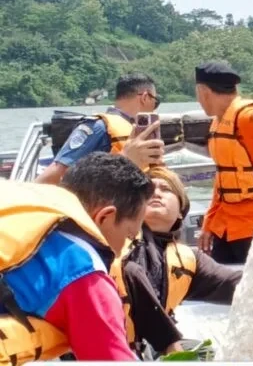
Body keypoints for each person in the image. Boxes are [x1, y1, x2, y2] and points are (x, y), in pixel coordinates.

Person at [0, 153, 154, 363]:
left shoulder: (20, 205)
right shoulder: (83, 275)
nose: (124, 249)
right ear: (104, 217)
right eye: (128, 236)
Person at [111, 166, 242, 357]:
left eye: (166, 189)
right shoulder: (112, 237)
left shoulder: (187, 259)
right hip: (98, 352)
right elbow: (130, 272)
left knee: (205, 352)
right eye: (147, 191)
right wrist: (170, 342)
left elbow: (236, 284)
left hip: (141, 352)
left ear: (181, 211)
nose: (155, 193)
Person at [195, 61, 253, 264]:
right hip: (226, 227)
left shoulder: (248, 117)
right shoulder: (219, 121)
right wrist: (209, 222)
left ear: (202, 91)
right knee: (223, 289)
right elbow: (223, 179)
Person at [36, 72, 160, 185]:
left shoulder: (138, 132)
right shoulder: (98, 127)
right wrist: (125, 160)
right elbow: (53, 176)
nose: (155, 107)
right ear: (145, 97)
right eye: (156, 101)